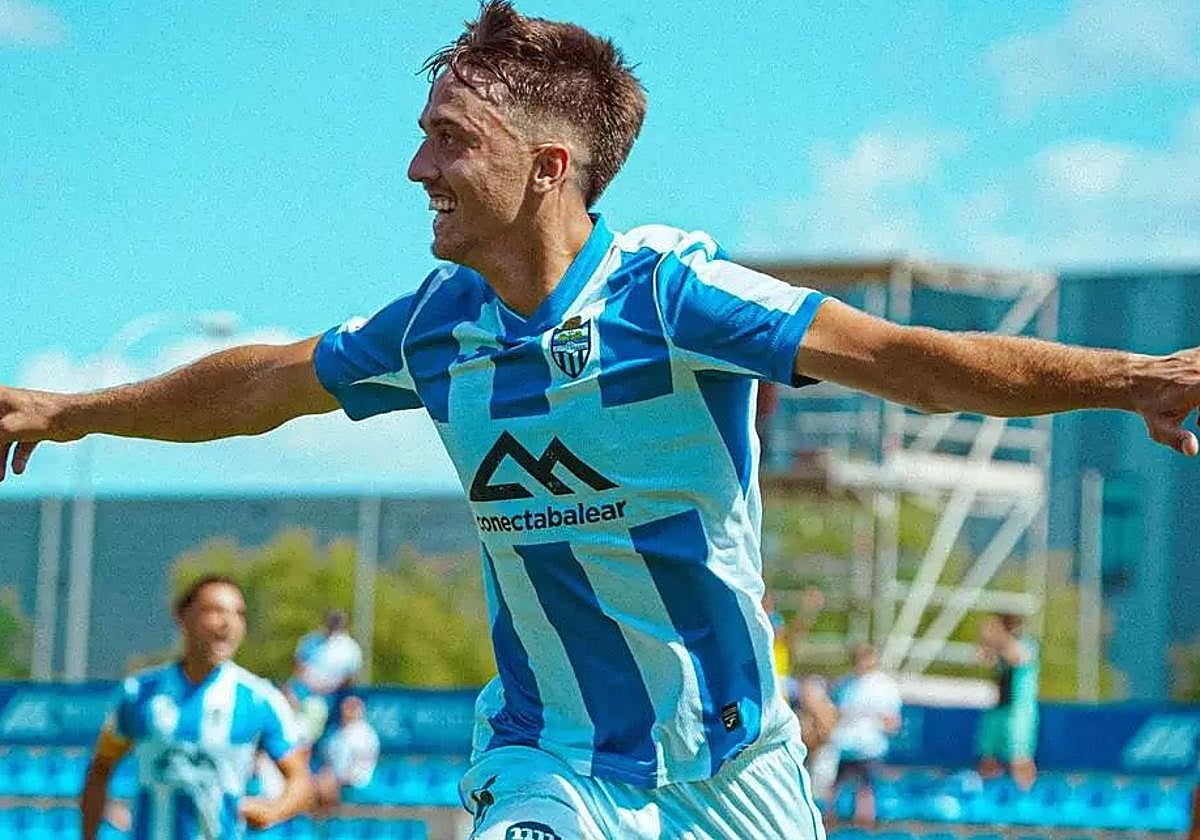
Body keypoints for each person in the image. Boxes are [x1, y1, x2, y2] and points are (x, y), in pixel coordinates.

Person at [5, 1, 1200, 836]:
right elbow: (263, 385)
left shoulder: (677, 297)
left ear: (547, 167)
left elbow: (910, 361)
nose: (415, 168)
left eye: (448, 139)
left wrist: (1131, 375)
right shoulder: (437, 327)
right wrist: (67, 410)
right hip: (551, 759)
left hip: (736, 763)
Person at [79, 575, 312, 839]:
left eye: (238, 614)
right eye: (215, 611)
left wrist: (274, 810)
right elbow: (100, 770)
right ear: (183, 617)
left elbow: (301, 781)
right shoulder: (138, 693)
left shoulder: (260, 699)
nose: (228, 623)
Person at [827, 645, 902, 826]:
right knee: (835, 790)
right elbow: (835, 713)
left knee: (866, 790)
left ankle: (864, 826)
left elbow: (893, 722)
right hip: (845, 747)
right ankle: (829, 824)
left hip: (870, 748)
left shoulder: (885, 686)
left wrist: (873, 719)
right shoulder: (846, 684)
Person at [977, 613, 1040, 790]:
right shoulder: (1001, 646)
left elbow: (1016, 657)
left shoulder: (1026, 644)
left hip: (1019, 711)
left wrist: (997, 637)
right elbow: (985, 659)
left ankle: (1025, 793)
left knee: (1019, 758)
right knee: (988, 758)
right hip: (999, 708)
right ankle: (989, 793)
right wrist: (987, 641)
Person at [287, 609, 364, 739]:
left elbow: (350, 678)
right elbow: (299, 666)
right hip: (305, 691)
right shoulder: (310, 641)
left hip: (333, 695)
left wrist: (328, 689)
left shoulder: (351, 648)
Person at [313, 695, 381, 810]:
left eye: (353, 708)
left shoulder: (366, 734)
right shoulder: (336, 733)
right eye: (347, 708)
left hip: (356, 780)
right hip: (334, 778)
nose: (348, 712)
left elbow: (360, 766)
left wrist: (336, 779)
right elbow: (327, 760)